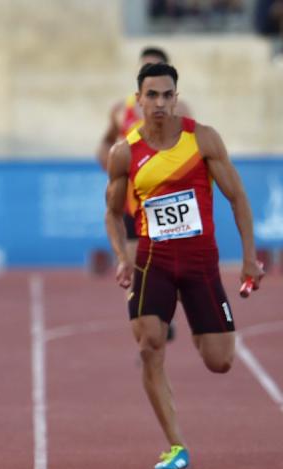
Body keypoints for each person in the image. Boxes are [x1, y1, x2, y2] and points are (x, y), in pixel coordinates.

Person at [104, 62, 264, 469]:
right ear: (138, 99)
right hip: (152, 264)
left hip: (200, 266)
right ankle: (176, 444)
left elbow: (238, 198)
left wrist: (249, 257)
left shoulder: (202, 139)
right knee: (149, 346)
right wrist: (123, 257)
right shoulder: (125, 152)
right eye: (151, 95)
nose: (159, 102)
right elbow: (110, 213)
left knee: (220, 361)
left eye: (166, 95)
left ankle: (198, 325)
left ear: (176, 97)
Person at [97, 47, 191, 341]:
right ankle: (147, 327)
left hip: (164, 200)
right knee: (136, 264)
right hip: (131, 201)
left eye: (156, 68)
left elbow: (191, 150)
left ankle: (163, 313)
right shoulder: (120, 110)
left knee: (166, 266)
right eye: (145, 69)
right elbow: (104, 144)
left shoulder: (181, 109)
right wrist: (114, 170)